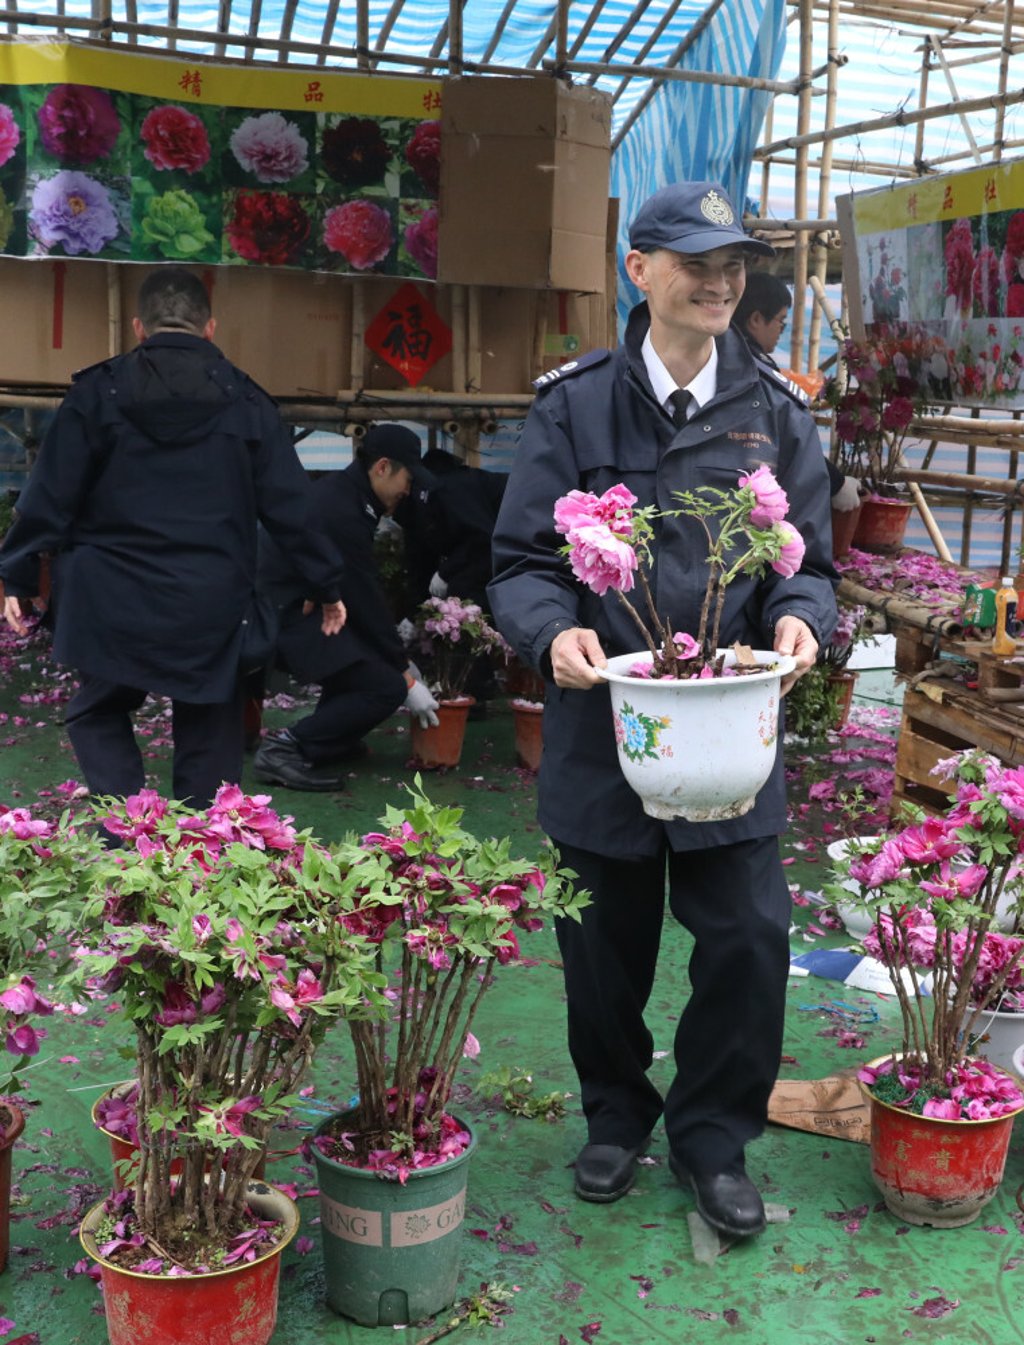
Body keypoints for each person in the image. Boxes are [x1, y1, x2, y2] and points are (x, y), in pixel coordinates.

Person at [487, 181, 839, 1239]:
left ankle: (714, 1138)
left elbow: (807, 567)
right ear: (636, 269)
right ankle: (615, 1114)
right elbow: (518, 563)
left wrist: (803, 623)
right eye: (695, 261)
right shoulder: (572, 404)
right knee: (602, 944)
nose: (721, 281)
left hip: (730, 732)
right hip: (610, 729)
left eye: (733, 263)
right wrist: (552, 631)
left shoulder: (776, 413)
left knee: (747, 939)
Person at [0, 266, 345, 809]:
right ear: (210, 328)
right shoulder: (249, 403)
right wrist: (326, 584)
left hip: (109, 597)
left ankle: (127, 833)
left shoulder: (97, 392)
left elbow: (50, 496)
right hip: (207, 601)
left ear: (138, 327)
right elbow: (291, 509)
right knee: (210, 719)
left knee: (99, 709)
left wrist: (17, 572)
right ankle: (198, 858)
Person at [253, 423, 440, 791]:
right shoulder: (343, 508)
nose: (408, 490)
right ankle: (285, 749)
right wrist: (403, 671)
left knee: (361, 662)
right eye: (407, 478)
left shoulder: (350, 497)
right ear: (382, 467)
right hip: (284, 614)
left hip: (303, 605)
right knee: (384, 686)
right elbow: (363, 593)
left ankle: (328, 740)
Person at [733, 270, 861, 514]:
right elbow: (786, 440)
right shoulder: (751, 372)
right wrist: (837, 483)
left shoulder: (736, 359)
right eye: (781, 320)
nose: (782, 329)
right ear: (756, 319)